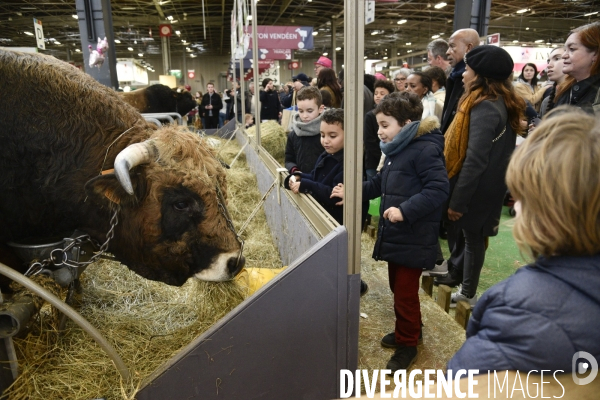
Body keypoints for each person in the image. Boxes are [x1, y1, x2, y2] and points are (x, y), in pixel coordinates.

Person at [447, 107, 600, 374]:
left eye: (523, 198)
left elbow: (464, 383)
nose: (516, 209)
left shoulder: (519, 310)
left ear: (550, 210)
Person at [332, 92, 449, 373]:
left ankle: (407, 344)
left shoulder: (424, 149)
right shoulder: (398, 150)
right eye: (378, 125)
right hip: (400, 235)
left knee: (405, 293)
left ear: (407, 123)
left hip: (413, 233)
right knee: (399, 288)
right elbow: (379, 184)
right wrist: (353, 192)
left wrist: (405, 210)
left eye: (385, 125)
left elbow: (439, 189)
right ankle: (412, 330)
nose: (380, 132)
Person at [443, 45, 525, 307]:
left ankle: (467, 293)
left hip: (479, 189)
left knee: (473, 239)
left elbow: (476, 159)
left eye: (467, 70)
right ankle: (465, 288)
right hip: (488, 185)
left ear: (481, 76)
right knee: (472, 239)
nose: (464, 75)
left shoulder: (485, 106)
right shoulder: (497, 101)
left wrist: (458, 201)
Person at [285, 108, 369, 296]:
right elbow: (316, 178)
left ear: (350, 135)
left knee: (341, 260)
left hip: (339, 221)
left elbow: (332, 193)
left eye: (332, 135)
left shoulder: (349, 163)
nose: (325, 140)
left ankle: (354, 288)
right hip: (326, 219)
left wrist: (305, 184)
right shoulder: (326, 155)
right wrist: (297, 177)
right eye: (322, 135)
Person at [554, 21, 600, 116]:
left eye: (572, 49)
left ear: (595, 53)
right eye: (565, 50)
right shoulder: (565, 92)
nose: (564, 55)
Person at [284, 86, 325, 174]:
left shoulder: (326, 133)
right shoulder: (293, 135)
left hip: (323, 183)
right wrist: (294, 170)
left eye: (309, 111)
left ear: (320, 109)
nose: (304, 116)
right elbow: (289, 159)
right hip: (301, 182)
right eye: (301, 111)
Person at [364, 79, 395, 179]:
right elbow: (369, 140)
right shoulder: (370, 115)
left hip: (389, 158)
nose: (378, 96)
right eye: (376, 93)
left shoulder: (394, 114)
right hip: (373, 162)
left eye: (382, 93)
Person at [539, 47, 566, 117]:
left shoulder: (579, 97)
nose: (549, 65)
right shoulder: (546, 102)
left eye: (557, 59)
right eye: (548, 61)